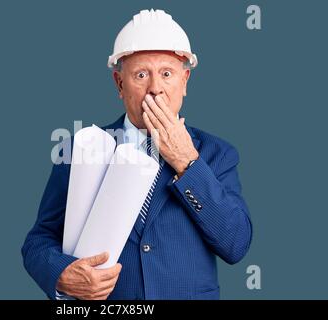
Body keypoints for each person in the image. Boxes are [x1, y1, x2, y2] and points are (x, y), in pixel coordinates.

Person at [22, 9, 252, 300]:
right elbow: (39, 241)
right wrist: (62, 274)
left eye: (167, 74)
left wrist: (187, 163)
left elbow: (235, 244)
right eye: (141, 75)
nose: (155, 88)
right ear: (120, 84)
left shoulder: (217, 154)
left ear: (184, 81)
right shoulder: (81, 148)